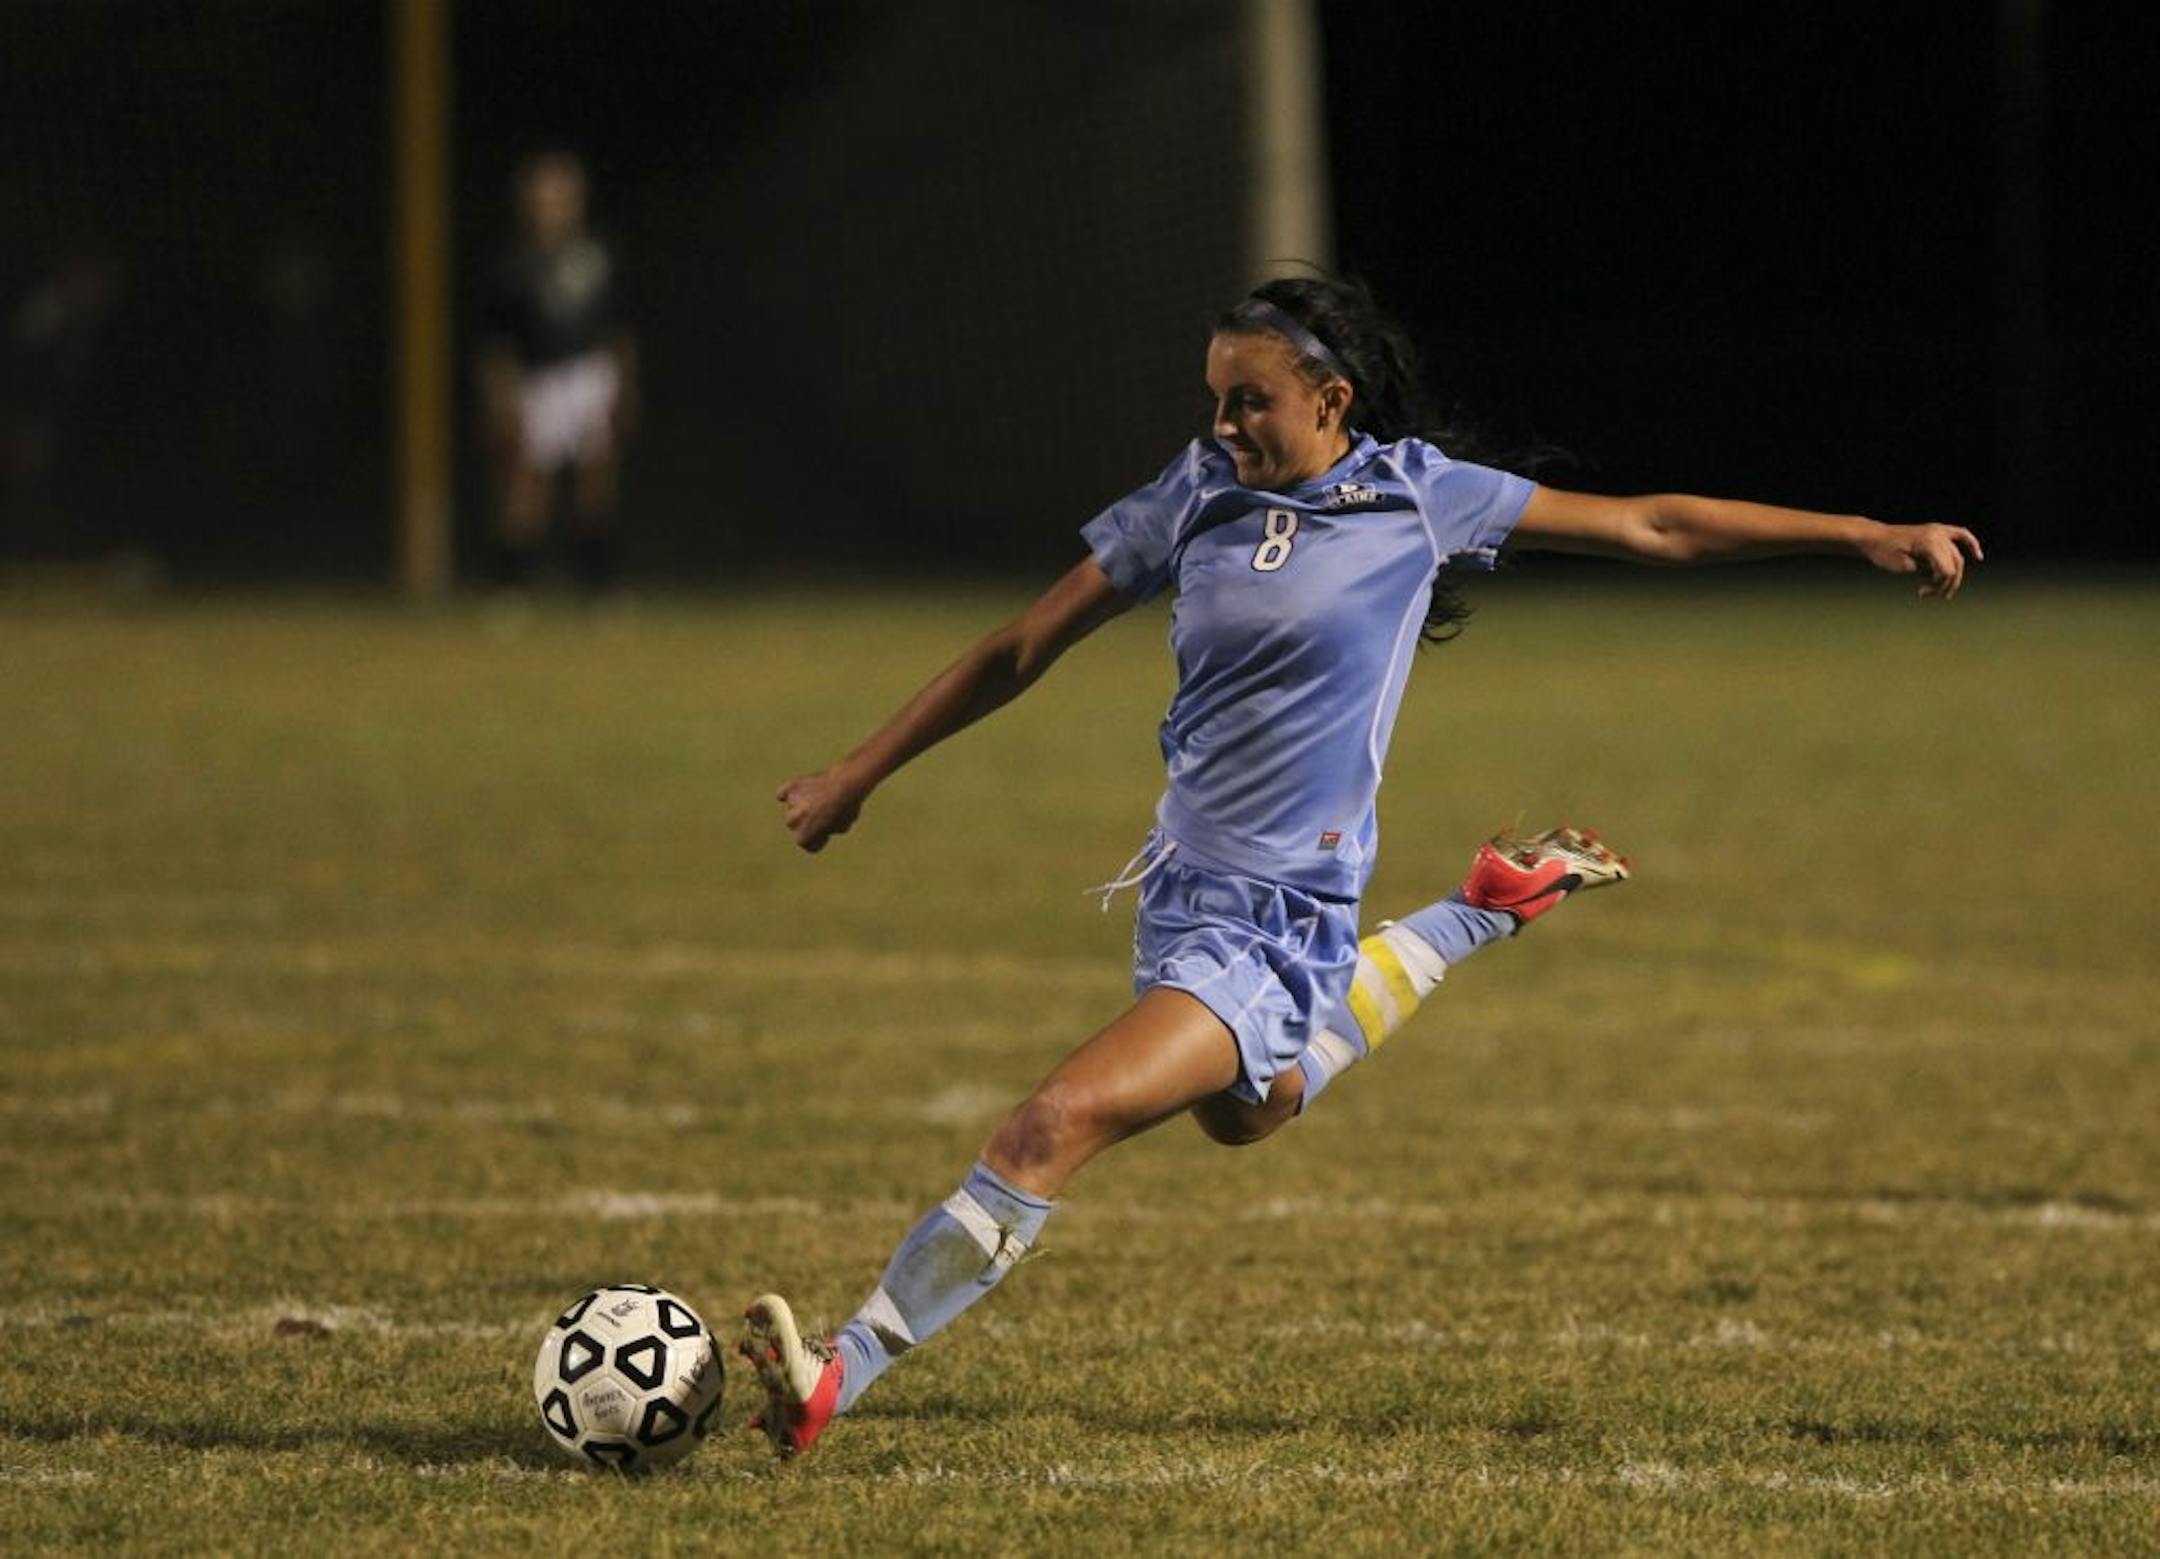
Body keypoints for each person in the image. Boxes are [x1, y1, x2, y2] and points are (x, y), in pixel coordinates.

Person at [741, 275, 1982, 1458]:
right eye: (1214, 400)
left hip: (1287, 916)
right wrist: (860, 772)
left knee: (1051, 1122)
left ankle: (837, 1374)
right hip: (1182, 892)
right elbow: (1022, 643)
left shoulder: (1419, 495)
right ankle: (1477, 909)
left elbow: (1652, 524)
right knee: (1246, 1112)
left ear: (1331, 401)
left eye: (1251, 402)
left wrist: (1863, 532)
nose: (1224, 425)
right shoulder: (1194, 492)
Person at [475, 152, 636, 595]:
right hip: (536, 380)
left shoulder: (598, 259)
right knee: (527, 486)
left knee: (595, 483)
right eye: (544, 198)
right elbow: (496, 343)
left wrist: (623, 388)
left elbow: (618, 330)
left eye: (562, 197)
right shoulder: (513, 267)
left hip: (588, 374)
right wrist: (500, 396)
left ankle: (601, 584)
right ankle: (510, 585)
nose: (553, 207)